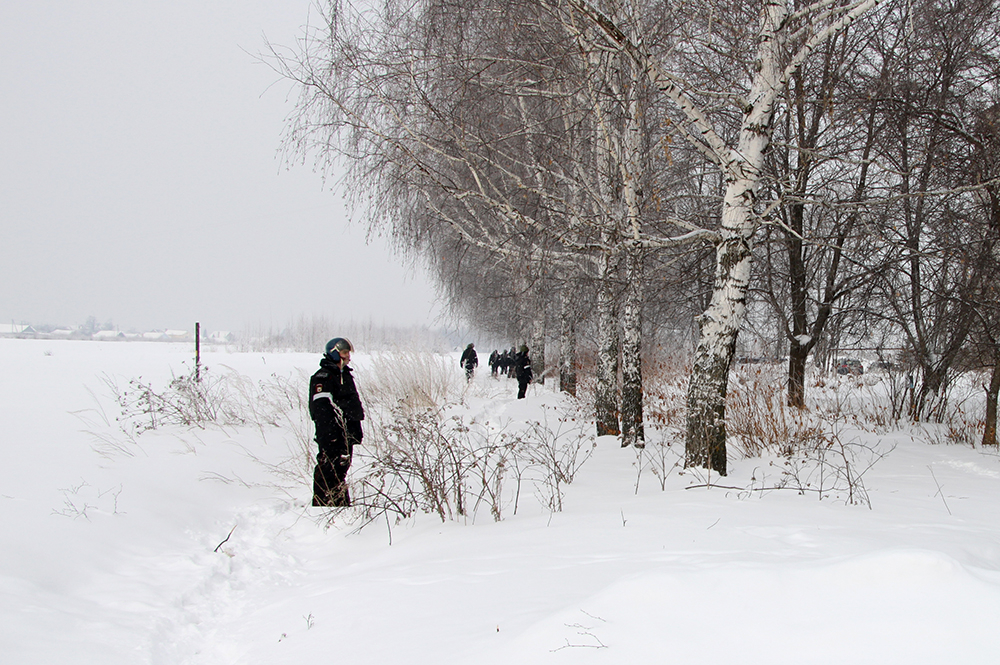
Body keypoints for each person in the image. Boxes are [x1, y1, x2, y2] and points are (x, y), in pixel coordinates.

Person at [309, 337, 365, 507]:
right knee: (328, 468)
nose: (348, 356)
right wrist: (331, 434)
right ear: (334, 354)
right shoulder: (323, 377)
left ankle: (340, 504)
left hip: (346, 433)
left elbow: (351, 405)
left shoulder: (345, 374)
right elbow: (321, 410)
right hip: (331, 434)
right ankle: (322, 505)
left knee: (340, 470)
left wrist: (354, 430)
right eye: (344, 353)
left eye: (348, 353)